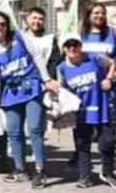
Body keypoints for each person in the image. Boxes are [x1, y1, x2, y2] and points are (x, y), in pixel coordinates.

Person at [0, 11, 59, 188]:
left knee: (34, 128)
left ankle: (40, 171)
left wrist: (47, 79)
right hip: (11, 94)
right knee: (13, 131)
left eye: (2, 23)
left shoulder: (20, 36)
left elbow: (37, 57)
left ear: (7, 25)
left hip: (31, 86)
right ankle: (20, 170)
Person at [57, 34, 116, 189]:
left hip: (102, 107)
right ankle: (84, 176)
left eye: (75, 44)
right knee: (83, 145)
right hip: (81, 112)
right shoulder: (62, 67)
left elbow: (112, 64)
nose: (72, 48)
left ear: (80, 46)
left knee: (108, 142)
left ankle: (108, 173)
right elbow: (61, 86)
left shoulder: (94, 58)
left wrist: (108, 79)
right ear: (64, 49)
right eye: (68, 45)